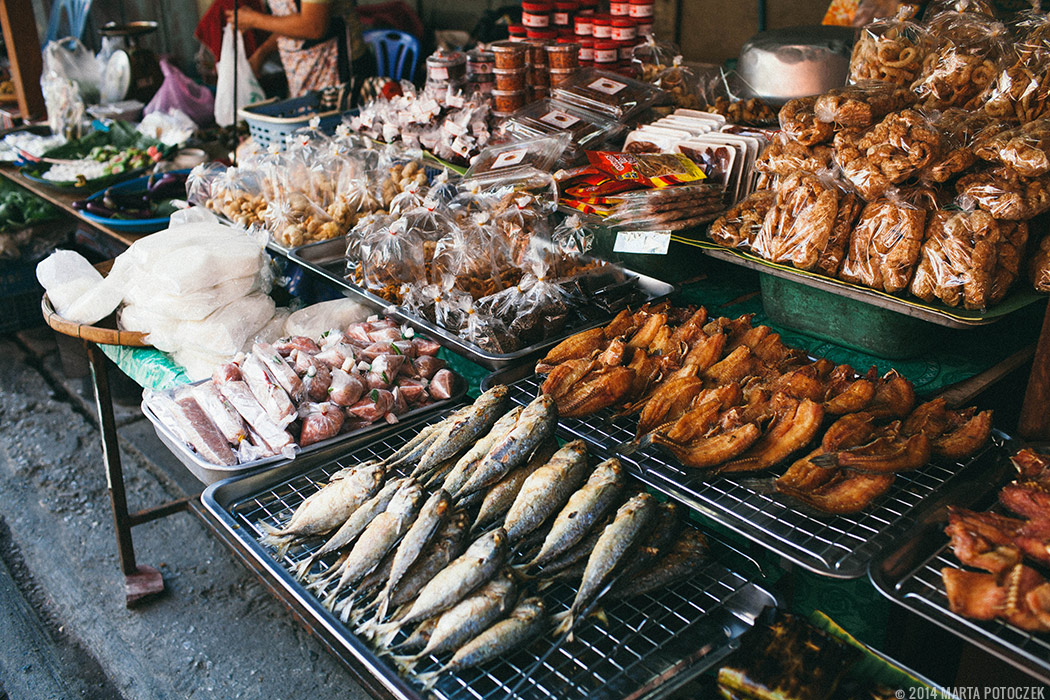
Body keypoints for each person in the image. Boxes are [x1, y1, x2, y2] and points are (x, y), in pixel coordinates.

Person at [225, 0, 374, 98]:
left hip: (341, 70)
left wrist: (254, 20)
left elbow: (314, 26)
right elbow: (288, 21)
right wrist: (262, 54)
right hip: (303, 71)